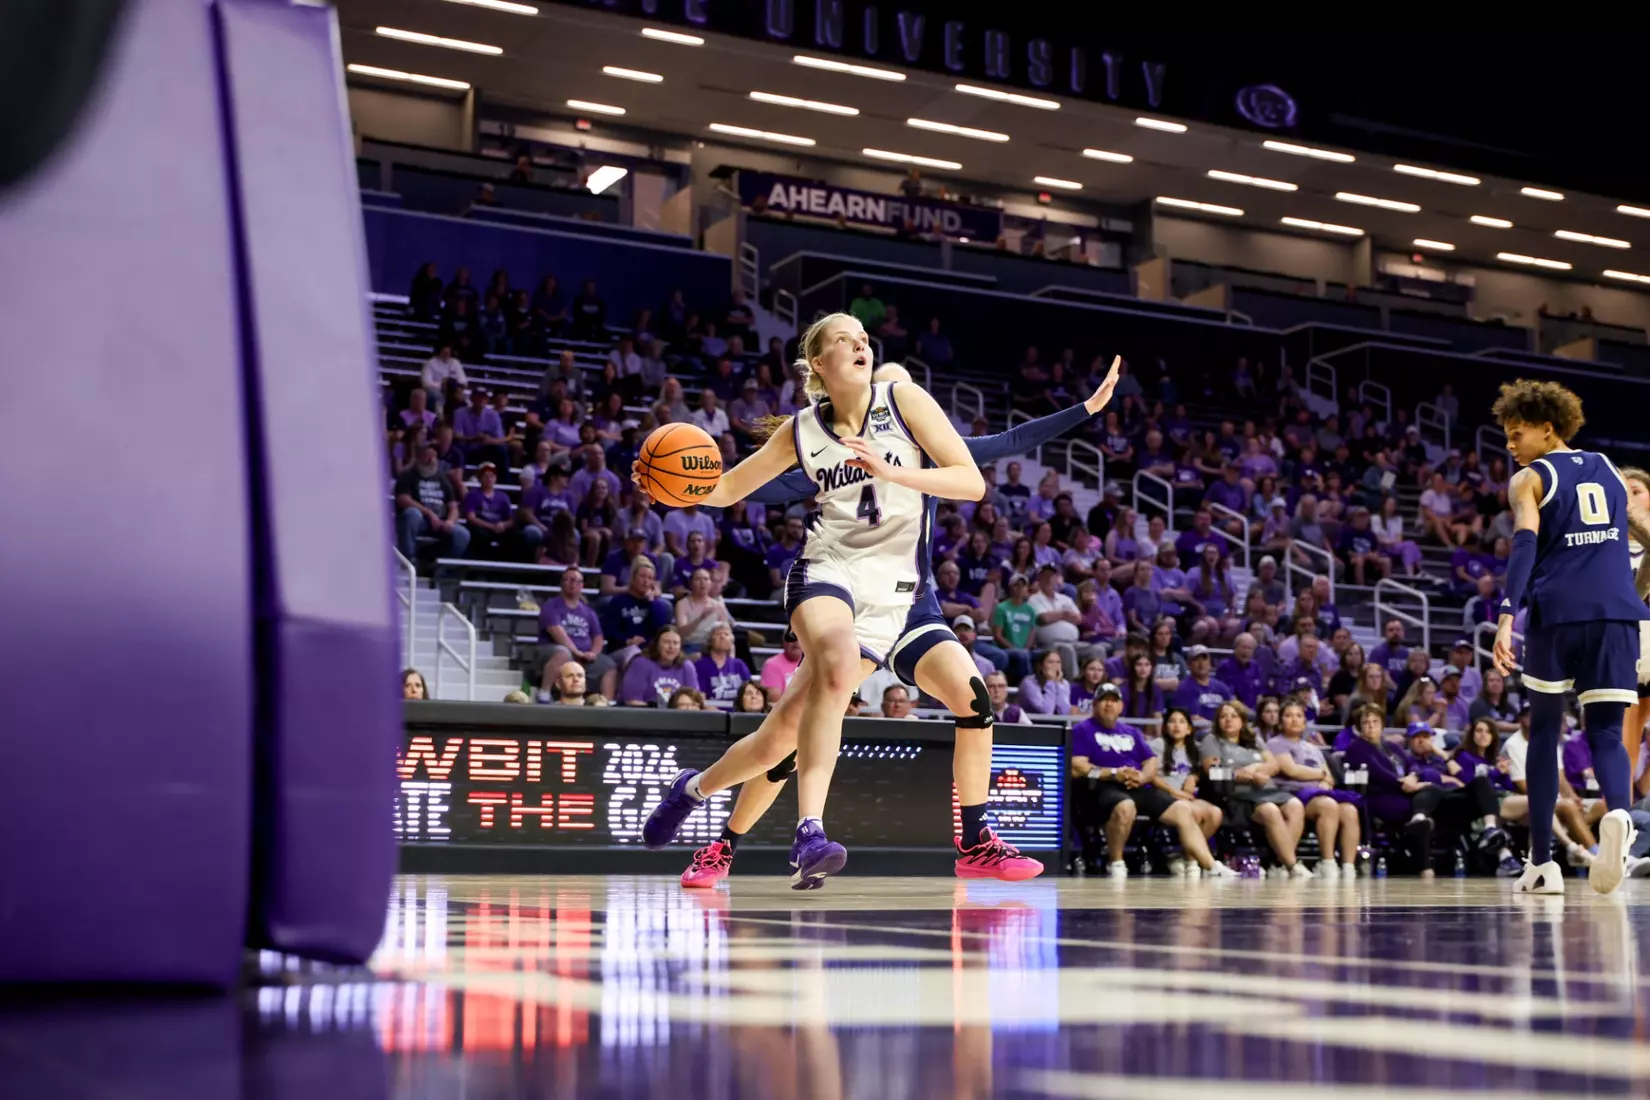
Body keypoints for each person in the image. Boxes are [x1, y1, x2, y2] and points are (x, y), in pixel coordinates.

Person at [643, 358, 1124, 887]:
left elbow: (1010, 440)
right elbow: (762, 488)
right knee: (781, 742)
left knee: (975, 698)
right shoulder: (838, 451)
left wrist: (1085, 409)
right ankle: (714, 831)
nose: (902, 398)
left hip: (913, 607)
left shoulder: (935, 450)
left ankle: (976, 840)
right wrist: (691, 487)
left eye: (908, 389)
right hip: (850, 600)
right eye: (891, 389)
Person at [630, 313, 987, 888]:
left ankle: (692, 789)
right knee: (838, 668)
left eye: (864, 337)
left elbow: (971, 483)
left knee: (777, 738)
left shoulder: (905, 402)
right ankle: (810, 832)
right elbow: (723, 490)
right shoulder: (800, 431)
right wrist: (665, 487)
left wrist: (891, 469)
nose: (860, 343)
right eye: (844, 338)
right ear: (817, 364)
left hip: (893, 593)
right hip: (828, 570)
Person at [1490, 379, 1648, 895]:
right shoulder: (1609, 470)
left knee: (1545, 731)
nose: (1511, 447)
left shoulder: (1528, 481)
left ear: (1547, 428)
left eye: (1517, 434)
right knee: (1606, 732)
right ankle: (1620, 817)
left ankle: (1542, 865)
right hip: (1619, 615)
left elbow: (1524, 546)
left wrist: (1509, 614)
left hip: (1559, 613)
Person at [1069, 688, 1234, 879]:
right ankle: (1116, 863)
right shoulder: (1082, 729)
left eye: (1113, 701)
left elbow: (1151, 761)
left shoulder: (1131, 732)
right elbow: (1077, 766)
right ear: (1095, 704)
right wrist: (1114, 773)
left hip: (1136, 785)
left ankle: (1210, 866)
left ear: (1121, 706)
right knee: (1125, 806)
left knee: (1183, 809)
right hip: (1101, 786)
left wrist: (1143, 777)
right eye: (1103, 700)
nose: (1109, 704)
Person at [1200, 701, 1309, 876]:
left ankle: (1278, 863)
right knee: (1270, 810)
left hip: (1265, 789)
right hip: (1235, 794)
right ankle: (1292, 864)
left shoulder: (1254, 739)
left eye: (1234, 716)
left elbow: (1273, 765)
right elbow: (1212, 770)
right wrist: (1247, 775)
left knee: (1295, 806)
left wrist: (1253, 769)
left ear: (1242, 720)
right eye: (1223, 716)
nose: (1229, 720)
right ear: (1217, 721)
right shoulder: (1212, 740)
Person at [1268, 699, 1362, 878]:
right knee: (1328, 805)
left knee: (1349, 810)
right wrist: (1320, 776)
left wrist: (1326, 781)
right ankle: (1327, 862)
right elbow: (1291, 770)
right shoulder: (1276, 743)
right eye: (1288, 716)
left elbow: (1329, 777)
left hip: (1317, 793)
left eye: (1299, 716)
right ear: (1280, 722)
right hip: (1291, 793)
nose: (1294, 720)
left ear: (1305, 721)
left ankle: (1348, 866)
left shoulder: (1313, 748)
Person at [1147, 707, 1232, 876]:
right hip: (1163, 796)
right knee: (1192, 811)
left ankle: (1187, 857)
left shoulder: (1195, 748)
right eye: (1172, 721)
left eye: (1181, 722)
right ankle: (1198, 862)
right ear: (1165, 726)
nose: (1176, 726)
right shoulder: (1157, 745)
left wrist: (1193, 777)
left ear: (1189, 729)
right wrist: (1174, 792)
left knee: (1215, 813)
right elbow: (1151, 776)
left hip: (1186, 797)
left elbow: (1203, 770)